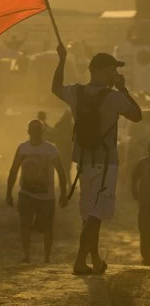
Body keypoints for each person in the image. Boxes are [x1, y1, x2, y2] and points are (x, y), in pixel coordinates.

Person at [52, 46, 142, 275]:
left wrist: (62, 60)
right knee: (95, 214)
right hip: (106, 163)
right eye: (113, 68)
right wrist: (123, 89)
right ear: (102, 70)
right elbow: (137, 115)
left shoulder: (76, 92)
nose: (115, 73)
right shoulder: (114, 97)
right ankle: (80, 261)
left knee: (90, 213)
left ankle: (95, 259)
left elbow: (55, 88)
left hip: (83, 162)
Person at [6, 120, 68, 264]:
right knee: (24, 224)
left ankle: (47, 258)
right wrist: (9, 192)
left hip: (46, 196)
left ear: (42, 132)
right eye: (33, 130)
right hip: (26, 194)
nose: (35, 133)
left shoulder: (50, 149)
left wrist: (64, 194)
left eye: (38, 130)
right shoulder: (23, 148)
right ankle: (26, 256)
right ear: (28, 132)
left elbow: (61, 171)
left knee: (47, 228)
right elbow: (14, 170)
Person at [131, 141, 150, 265]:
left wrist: (134, 193)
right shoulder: (142, 163)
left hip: (144, 201)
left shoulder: (143, 163)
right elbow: (134, 178)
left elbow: (133, 178)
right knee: (144, 228)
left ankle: (147, 256)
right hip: (145, 201)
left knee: (144, 229)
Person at [53, 110, 74, 182]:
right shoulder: (71, 125)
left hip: (61, 148)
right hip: (66, 148)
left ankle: (63, 183)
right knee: (66, 167)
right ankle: (68, 183)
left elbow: (54, 136)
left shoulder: (58, 124)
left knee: (62, 167)